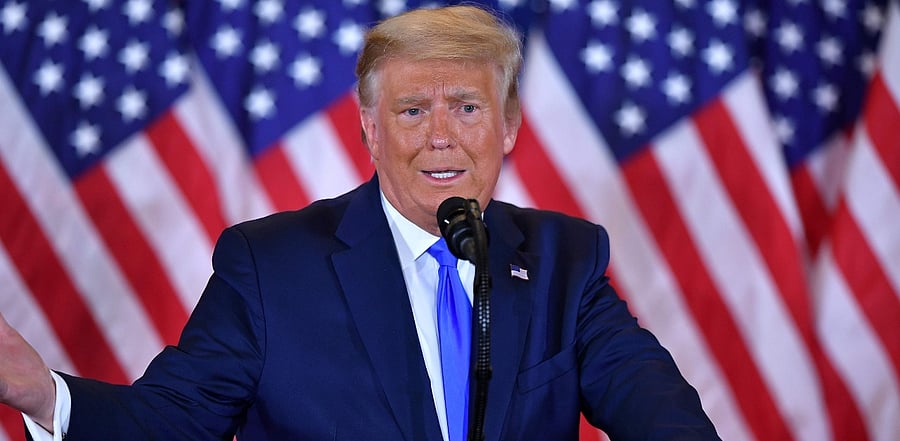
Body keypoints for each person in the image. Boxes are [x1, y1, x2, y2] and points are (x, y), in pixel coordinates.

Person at [0, 5, 720, 440]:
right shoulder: (270, 266)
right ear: (371, 131)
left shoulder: (566, 259)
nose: (442, 136)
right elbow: (171, 423)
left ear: (507, 127)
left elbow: (661, 414)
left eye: (467, 107)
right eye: (413, 111)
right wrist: (43, 391)